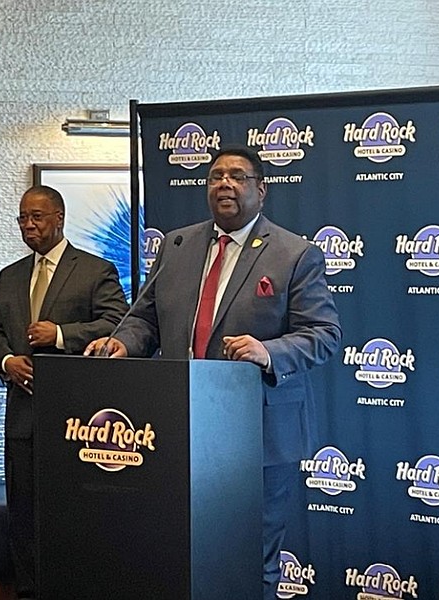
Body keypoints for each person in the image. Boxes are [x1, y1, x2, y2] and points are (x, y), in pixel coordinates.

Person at [85, 146, 342, 599]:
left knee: (252, 552)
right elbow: (145, 319)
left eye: (238, 176)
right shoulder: (177, 245)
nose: (224, 183)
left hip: (258, 432)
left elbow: (323, 334)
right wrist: (122, 343)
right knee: (182, 548)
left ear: (261, 191)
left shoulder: (294, 254)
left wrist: (268, 351)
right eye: (216, 176)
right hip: (180, 427)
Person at [0, 184, 128, 598]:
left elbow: (117, 323)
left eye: (38, 216)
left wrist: (62, 334)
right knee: (24, 518)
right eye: (23, 218)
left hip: (78, 420)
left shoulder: (94, 270)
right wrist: (8, 362)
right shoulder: (10, 276)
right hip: (23, 417)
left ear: (59, 218)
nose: (29, 225)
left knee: (75, 516)